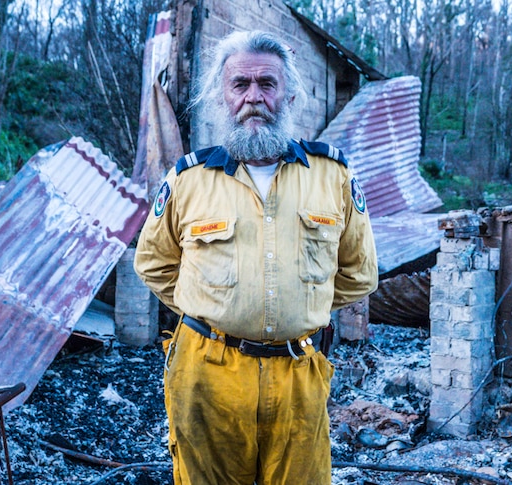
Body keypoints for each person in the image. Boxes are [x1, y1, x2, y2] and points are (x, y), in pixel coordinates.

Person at [133, 30, 378, 485]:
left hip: (298, 378)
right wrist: (213, 309)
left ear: (288, 94)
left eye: (267, 84)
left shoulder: (334, 177)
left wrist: (299, 307)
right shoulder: (189, 180)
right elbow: (153, 263)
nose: (254, 97)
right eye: (240, 85)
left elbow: (359, 273)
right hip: (206, 373)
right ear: (221, 96)